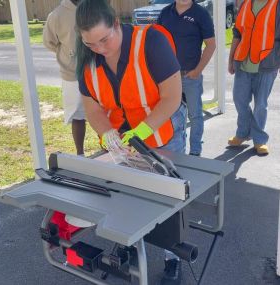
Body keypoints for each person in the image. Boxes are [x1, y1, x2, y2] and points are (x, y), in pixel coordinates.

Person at [75, 0, 187, 283]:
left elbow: (172, 97)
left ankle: (173, 256)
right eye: (91, 44)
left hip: (160, 133)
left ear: (116, 23)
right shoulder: (86, 60)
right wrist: (105, 133)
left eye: (104, 39)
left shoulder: (151, 41)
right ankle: (127, 245)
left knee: (167, 196)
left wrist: (143, 131)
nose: (99, 49)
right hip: (121, 142)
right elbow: (92, 107)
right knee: (125, 194)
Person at [158, 0, 216, 156]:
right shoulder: (165, 13)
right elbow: (156, 41)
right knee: (170, 114)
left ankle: (195, 151)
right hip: (168, 78)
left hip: (190, 76)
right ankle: (176, 149)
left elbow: (211, 44)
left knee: (195, 114)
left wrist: (198, 70)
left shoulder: (201, 14)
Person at [228, 0, 280, 155]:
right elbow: (237, 33)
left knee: (260, 105)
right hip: (243, 63)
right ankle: (243, 133)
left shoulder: (277, 5)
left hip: (267, 64)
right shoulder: (245, 4)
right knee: (239, 100)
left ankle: (259, 140)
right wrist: (231, 60)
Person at [43, 0, 86, 155]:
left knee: (103, 111)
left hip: (97, 70)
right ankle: (80, 153)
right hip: (72, 74)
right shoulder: (56, 15)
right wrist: (68, 56)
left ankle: (107, 149)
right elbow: (49, 42)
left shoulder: (92, 7)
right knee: (77, 115)